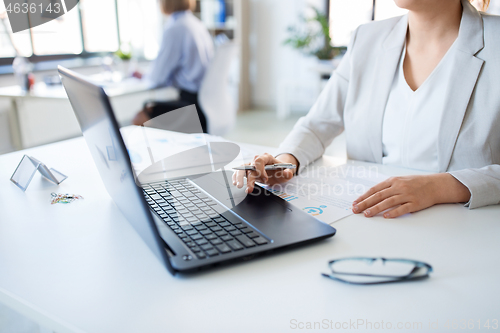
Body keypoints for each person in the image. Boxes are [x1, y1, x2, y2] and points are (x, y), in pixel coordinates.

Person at [234, 0, 500, 218]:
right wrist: (285, 161)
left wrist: (440, 187)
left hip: (464, 227)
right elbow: (317, 124)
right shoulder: (367, 38)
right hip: (369, 220)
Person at [132, 0, 214, 133]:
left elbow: (157, 78)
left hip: (193, 106)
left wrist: (146, 76)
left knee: (140, 117)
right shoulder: (197, 24)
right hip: (208, 104)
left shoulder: (175, 28)